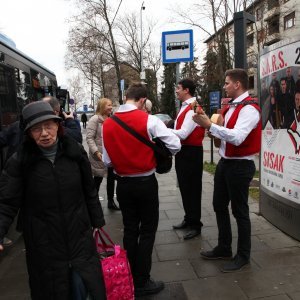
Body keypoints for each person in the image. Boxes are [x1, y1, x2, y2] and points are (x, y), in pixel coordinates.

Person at [0, 101, 106, 299]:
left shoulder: (75, 152)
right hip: (43, 243)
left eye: (49, 125)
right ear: (28, 133)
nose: (44, 133)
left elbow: (88, 190)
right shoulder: (20, 161)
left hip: (79, 236)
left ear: (58, 125)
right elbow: (6, 202)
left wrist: (97, 221)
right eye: (37, 129)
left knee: (83, 288)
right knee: (52, 290)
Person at [102, 83, 181, 297]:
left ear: (126, 97)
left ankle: (129, 274)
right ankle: (142, 280)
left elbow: (108, 161)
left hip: (123, 184)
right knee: (147, 231)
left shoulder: (107, 124)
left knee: (130, 230)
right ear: (142, 100)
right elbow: (175, 145)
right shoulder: (150, 120)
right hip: (146, 183)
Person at [193, 68, 261, 272]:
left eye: (226, 83)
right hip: (226, 162)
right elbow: (223, 134)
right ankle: (224, 247)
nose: (224, 86)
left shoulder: (249, 109)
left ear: (237, 84)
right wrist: (209, 125)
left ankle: (243, 255)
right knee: (218, 205)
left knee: (240, 211)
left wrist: (210, 126)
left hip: (240, 165)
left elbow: (238, 137)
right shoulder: (231, 107)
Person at [171, 78, 205, 240]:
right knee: (185, 187)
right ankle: (189, 218)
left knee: (192, 189)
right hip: (184, 152)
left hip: (191, 153)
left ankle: (195, 225)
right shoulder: (186, 107)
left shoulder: (193, 107)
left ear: (186, 90)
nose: (176, 91)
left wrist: (163, 131)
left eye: (178, 88)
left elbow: (184, 133)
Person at [86, 97, 119, 210]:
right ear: (102, 106)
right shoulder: (94, 119)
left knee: (111, 179)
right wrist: (96, 151)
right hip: (98, 156)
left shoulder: (111, 119)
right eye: (108, 105)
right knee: (98, 179)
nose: (111, 107)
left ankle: (111, 202)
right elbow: (89, 138)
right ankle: (93, 204)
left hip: (110, 155)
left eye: (111, 105)